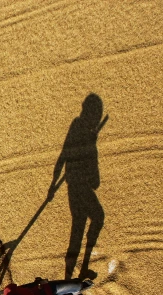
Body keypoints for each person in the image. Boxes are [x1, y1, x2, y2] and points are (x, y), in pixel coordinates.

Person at [49, 93, 108, 280]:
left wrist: (53, 184)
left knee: (79, 228)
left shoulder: (82, 129)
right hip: (79, 187)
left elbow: (67, 156)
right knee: (95, 218)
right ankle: (77, 271)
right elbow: (67, 155)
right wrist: (52, 184)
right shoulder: (81, 129)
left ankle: (73, 274)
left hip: (77, 186)